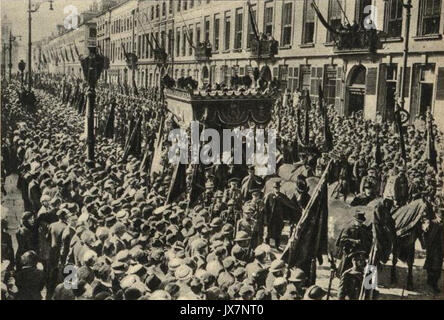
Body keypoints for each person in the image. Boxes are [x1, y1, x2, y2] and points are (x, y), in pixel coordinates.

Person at [264, 181, 301, 249]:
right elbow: (266, 207)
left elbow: (289, 204)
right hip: (271, 218)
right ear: (273, 188)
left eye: (278, 188)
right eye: (275, 188)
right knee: (269, 232)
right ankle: (267, 245)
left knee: (278, 232)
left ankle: (277, 246)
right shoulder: (269, 196)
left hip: (279, 218)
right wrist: (266, 218)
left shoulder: (282, 196)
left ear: (279, 188)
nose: (277, 189)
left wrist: (296, 208)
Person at [336, 211, 372, 276]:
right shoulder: (349, 228)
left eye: (361, 222)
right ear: (355, 220)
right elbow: (342, 240)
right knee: (345, 270)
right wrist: (354, 241)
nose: (360, 224)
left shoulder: (365, 229)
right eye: (359, 222)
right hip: (350, 252)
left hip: (361, 253)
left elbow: (369, 239)